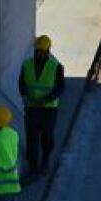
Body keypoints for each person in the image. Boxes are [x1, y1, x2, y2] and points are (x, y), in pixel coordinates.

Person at [18, 35, 64, 178]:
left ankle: (44, 162)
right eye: (37, 51)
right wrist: (25, 96)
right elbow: (22, 83)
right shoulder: (27, 64)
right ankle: (33, 167)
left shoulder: (56, 67)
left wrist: (47, 99)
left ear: (48, 51)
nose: (39, 54)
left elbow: (60, 87)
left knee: (47, 137)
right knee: (32, 138)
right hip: (32, 108)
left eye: (42, 51)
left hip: (48, 109)